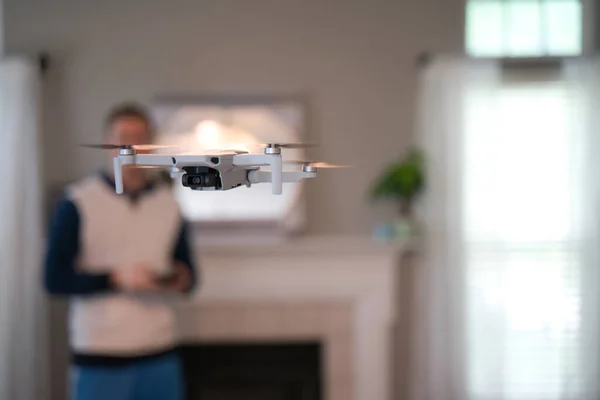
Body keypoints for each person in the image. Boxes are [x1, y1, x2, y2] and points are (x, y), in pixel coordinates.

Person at [43, 102, 198, 400]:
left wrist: (180, 278)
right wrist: (115, 279)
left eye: (140, 138)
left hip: (160, 355)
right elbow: (54, 279)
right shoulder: (77, 202)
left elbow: (189, 275)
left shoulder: (170, 205)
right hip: (100, 358)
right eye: (122, 138)